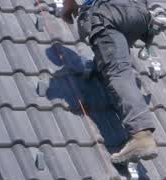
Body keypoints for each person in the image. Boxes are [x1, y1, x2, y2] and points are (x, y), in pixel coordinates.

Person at [58, 0, 159, 164]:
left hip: (109, 12)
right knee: (117, 58)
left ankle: (142, 135)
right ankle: (104, 64)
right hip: (139, 14)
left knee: (118, 71)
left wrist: (69, 6)